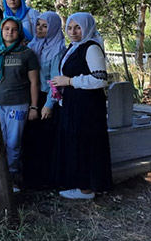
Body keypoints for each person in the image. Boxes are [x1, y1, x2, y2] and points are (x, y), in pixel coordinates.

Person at [50, 13, 112, 200]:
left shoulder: (91, 48)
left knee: (86, 143)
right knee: (77, 142)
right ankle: (81, 184)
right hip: (75, 102)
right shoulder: (75, 46)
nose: (73, 32)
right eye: (69, 28)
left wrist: (69, 81)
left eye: (78, 27)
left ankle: (87, 188)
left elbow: (100, 79)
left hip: (87, 106)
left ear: (87, 28)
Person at [0, 16, 40, 191]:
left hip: (18, 104)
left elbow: (34, 82)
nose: (10, 32)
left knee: (13, 142)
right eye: (6, 29)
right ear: (1, 31)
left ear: (19, 32)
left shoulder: (27, 54)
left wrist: (34, 106)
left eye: (14, 29)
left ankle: (12, 176)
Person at [22, 11, 66, 189]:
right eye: (38, 24)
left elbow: (56, 81)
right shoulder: (33, 45)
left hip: (48, 99)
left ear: (53, 28)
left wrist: (48, 105)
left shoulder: (58, 50)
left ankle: (44, 181)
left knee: (44, 141)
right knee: (30, 139)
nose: (39, 28)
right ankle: (30, 179)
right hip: (33, 97)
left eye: (44, 26)